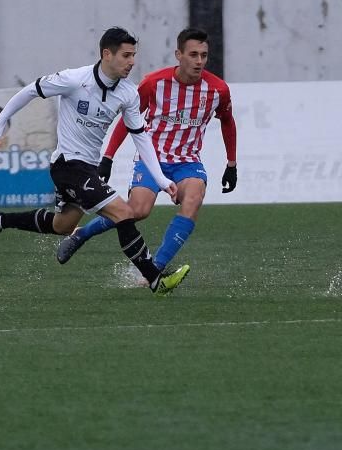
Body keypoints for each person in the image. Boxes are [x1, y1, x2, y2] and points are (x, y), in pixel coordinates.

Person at [0, 27, 191, 296]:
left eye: (133, 55)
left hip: (87, 168)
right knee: (123, 213)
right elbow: (30, 91)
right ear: (106, 54)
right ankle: (155, 279)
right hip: (67, 165)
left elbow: (140, 136)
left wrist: (161, 179)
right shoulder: (74, 79)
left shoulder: (128, 93)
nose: (132, 62)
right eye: (126, 55)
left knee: (63, 225)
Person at [56, 28, 238, 272]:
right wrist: (108, 157)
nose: (199, 61)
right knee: (137, 211)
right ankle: (81, 235)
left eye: (204, 55)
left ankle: (156, 269)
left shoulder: (218, 90)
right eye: (193, 54)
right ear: (178, 54)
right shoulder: (154, 83)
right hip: (152, 158)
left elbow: (227, 120)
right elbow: (127, 120)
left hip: (187, 161)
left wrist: (231, 164)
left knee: (193, 199)